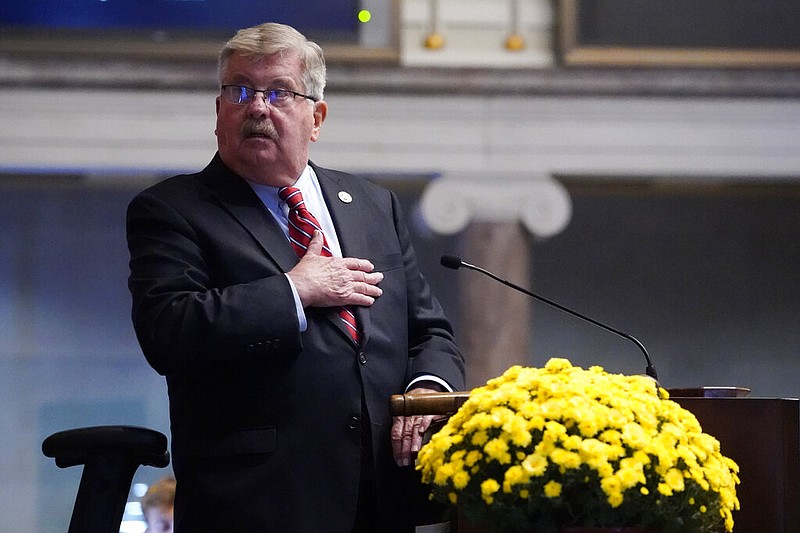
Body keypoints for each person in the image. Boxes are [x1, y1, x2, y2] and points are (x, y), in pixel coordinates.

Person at [126, 22, 465, 533]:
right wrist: (295, 290)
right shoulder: (174, 210)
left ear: (317, 117)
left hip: (381, 497)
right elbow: (168, 330)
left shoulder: (374, 206)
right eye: (240, 90)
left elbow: (429, 331)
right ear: (219, 111)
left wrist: (428, 391)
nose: (257, 107)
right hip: (257, 502)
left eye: (279, 92)